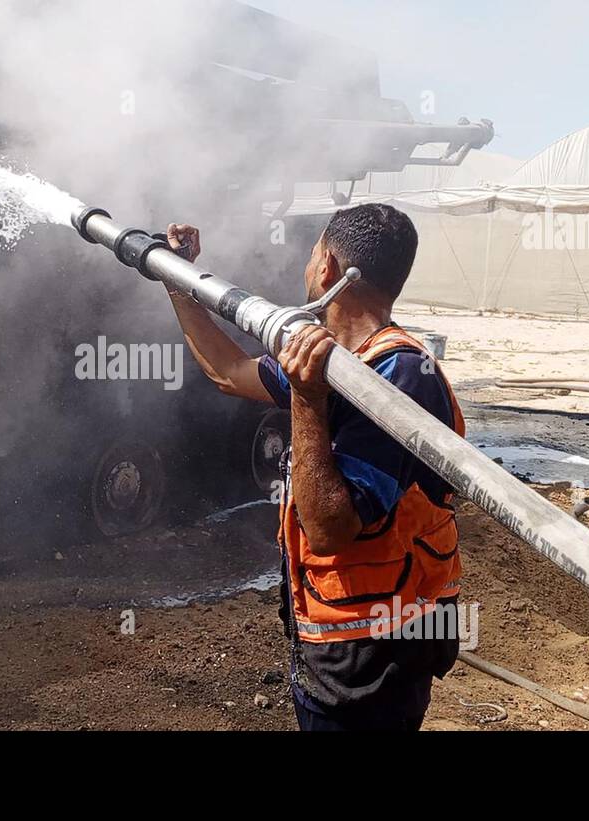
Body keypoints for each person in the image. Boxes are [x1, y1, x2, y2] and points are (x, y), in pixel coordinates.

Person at [163, 204, 464, 731]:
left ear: (327, 266)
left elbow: (328, 529)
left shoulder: (400, 376)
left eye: (309, 254)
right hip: (341, 640)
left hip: (374, 655)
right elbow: (230, 373)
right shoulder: (340, 358)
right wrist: (178, 283)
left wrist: (306, 398)